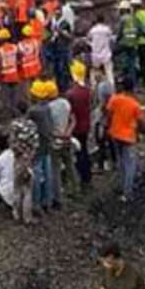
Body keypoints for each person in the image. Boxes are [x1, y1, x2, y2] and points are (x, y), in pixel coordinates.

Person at [105, 77, 144, 201]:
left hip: (115, 134)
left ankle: (122, 185)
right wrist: (142, 132)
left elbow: (109, 114)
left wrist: (108, 127)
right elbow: (141, 122)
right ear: (133, 88)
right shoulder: (135, 105)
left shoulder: (114, 99)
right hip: (128, 137)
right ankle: (127, 192)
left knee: (121, 161)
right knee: (130, 165)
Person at [28, 79, 58, 212]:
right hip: (47, 144)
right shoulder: (47, 107)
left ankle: (36, 203)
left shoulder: (34, 111)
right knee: (48, 172)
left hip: (38, 146)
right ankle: (48, 200)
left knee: (36, 175)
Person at [8, 101, 38, 225]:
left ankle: (16, 214)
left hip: (19, 159)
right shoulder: (32, 125)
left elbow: (12, 143)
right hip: (29, 159)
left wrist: (20, 154)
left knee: (17, 188)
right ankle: (27, 217)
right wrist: (29, 157)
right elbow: (36, 144)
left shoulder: (14, 125)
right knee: (28, 190)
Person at [47, 82, 77, 202]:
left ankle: (58, 197)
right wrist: (68, 133)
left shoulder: (48, 108)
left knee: (55, 169)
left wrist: (58, 135)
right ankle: (75, 189)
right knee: (70, 165)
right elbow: (73, 119)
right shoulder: (65, 103)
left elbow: (48, 129)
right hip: (67, 140)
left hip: (55, 142)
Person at [67, 62, 93, 193]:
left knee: (79, 153)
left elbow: (70, 113)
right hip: (86, 124)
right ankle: (88, 175)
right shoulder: (87, 90)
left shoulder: (71, 93)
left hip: (76, 127)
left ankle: (83, 178)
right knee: (85, 150)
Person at [0, 29, 22, 118]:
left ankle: (7, 114)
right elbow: (19, 59)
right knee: (14, 96)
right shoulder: (15, 47)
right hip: (14, 74)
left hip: (5, 76)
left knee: (5, 97)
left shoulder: (0, 50)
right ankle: (15, 112)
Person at [88, 12, 116, 87]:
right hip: (106, 54)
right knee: (109, 72)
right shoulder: (107, 29)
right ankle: (112, 87)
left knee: (94, 72)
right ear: (104, 20)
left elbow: (89, 39)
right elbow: (111, 39)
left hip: (95, 54)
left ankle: (93, 88)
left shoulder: (93, 30)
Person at [116, 0, 140, 86]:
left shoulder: (122, 19)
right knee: (132, 63)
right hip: (133, 43)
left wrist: (117, 40)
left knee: (125, 62)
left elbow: (119, 32)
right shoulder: (134, 18)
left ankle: (126, 81)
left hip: (125, 43)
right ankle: (134, 83)